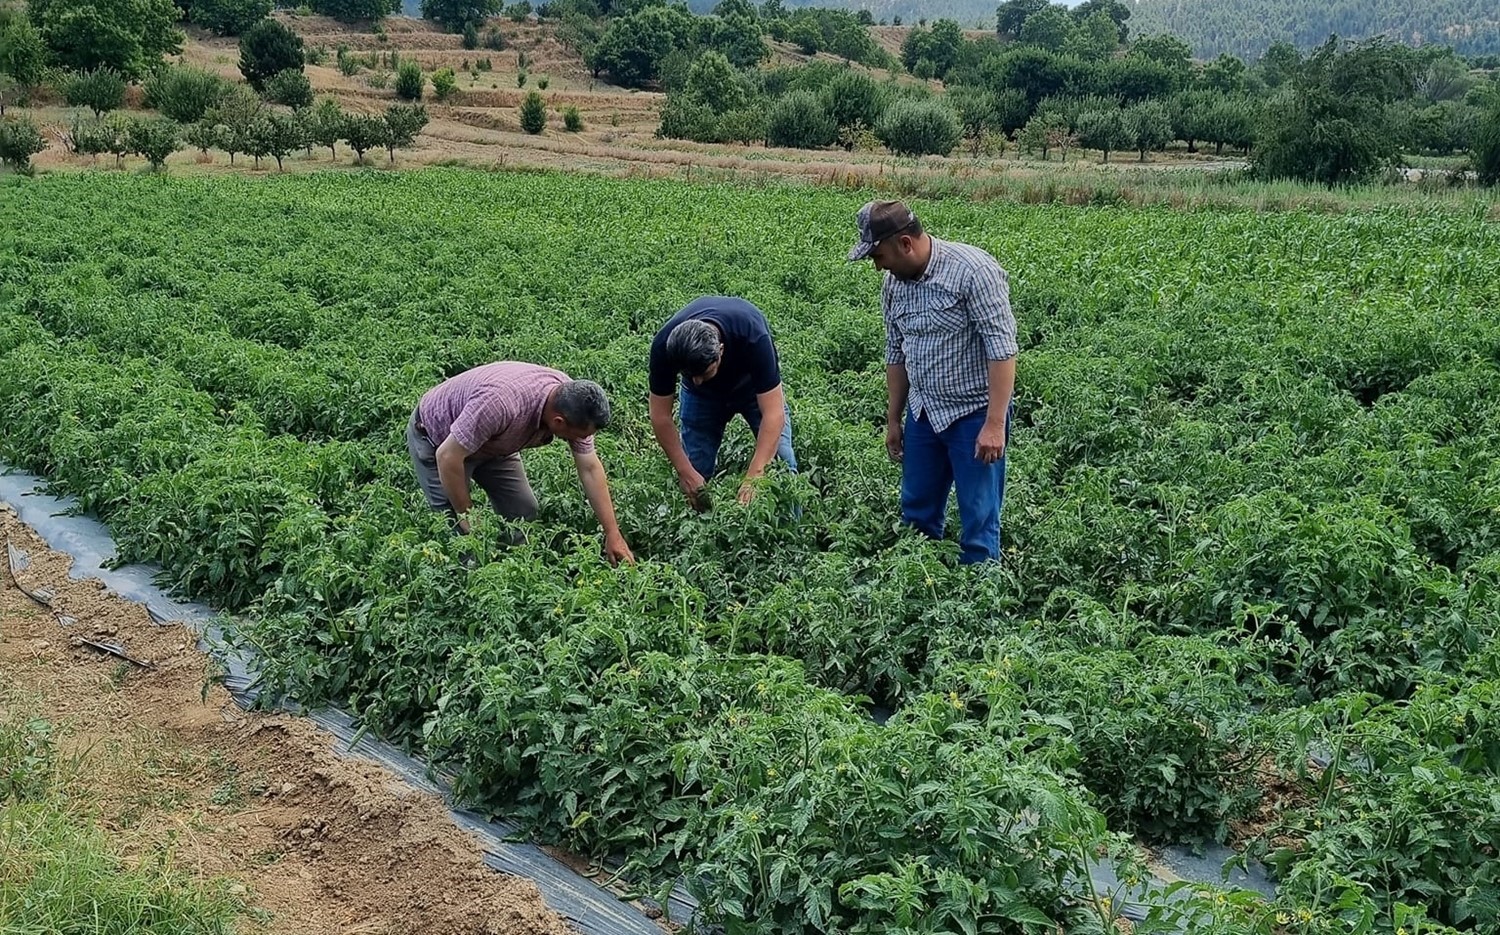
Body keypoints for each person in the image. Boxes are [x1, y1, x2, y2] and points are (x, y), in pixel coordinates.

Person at [848, 200, 1018, 564]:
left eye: (878, 256)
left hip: (974, 413)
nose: (877, 265)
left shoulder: (973, 271)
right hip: (924, 412)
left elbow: (1002, 349)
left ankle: (980, 602)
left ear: (905, 244)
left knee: (978, 516)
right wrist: (894, 419)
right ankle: (921, 589)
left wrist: (994, 423)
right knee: (916, 512)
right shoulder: (893, 284)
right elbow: (896, 352)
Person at [407, 361, 634, 565]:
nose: (583, 441)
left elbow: (590, 468)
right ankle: (469, 589)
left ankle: (512, 570)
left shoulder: (575, 402)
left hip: (496, 443)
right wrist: (467, 515)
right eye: (580, 437)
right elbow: (448, 457)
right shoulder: (501, 403)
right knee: (461, 535)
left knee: (523, 511)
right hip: (439, 441)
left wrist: (612, 532)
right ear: (558, 421)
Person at [648, 296, 796, 508]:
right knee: (695, 473)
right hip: (702, 400)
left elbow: (773, 413)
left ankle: (793, 528)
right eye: (689, 375)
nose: (697, 381)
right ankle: (700, 531)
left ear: (721, 351)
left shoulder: (752, 333)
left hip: (752, 389)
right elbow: (660, 416)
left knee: (782, 462)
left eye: (703, 373)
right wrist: (685, 471)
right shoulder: (665, 347)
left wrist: (755, 475)